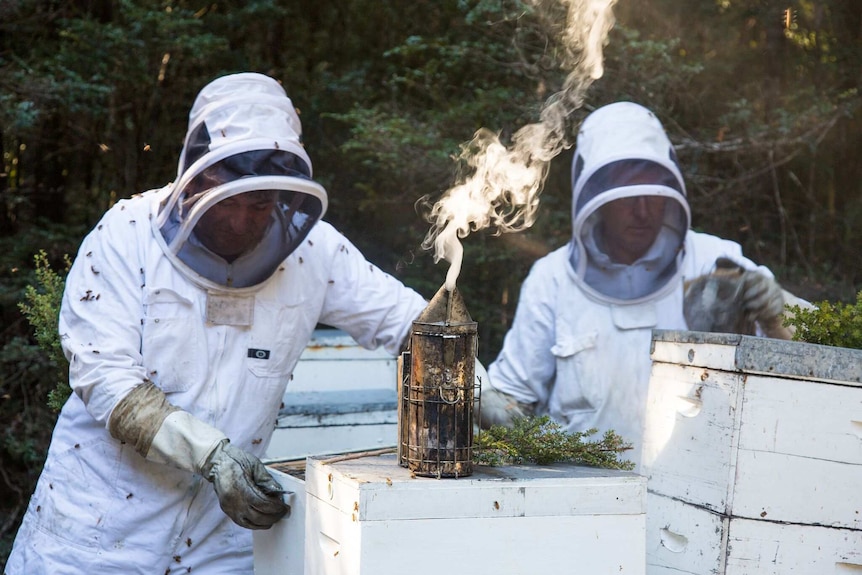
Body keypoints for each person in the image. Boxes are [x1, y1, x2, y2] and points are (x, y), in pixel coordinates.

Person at [6, 72, 428, 574]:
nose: (242, 223)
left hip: (220, 546)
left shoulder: (317, 253)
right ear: (198, 177)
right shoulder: (127, 234)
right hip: (95, 538)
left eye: (261, 205)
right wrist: (212, 455)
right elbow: (106, 379)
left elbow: (415, 325)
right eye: (230, 202)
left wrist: (483, 395)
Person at [481, 101, 799, 470]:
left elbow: (804, 371)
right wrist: (490, 402)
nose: (643, 211)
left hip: (700, 489)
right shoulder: (550, 279)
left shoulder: (717, 262)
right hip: (578, 498)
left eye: (654, 194)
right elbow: (517, 398)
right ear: (597, 198)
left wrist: (778, 313)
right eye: (627, 196)